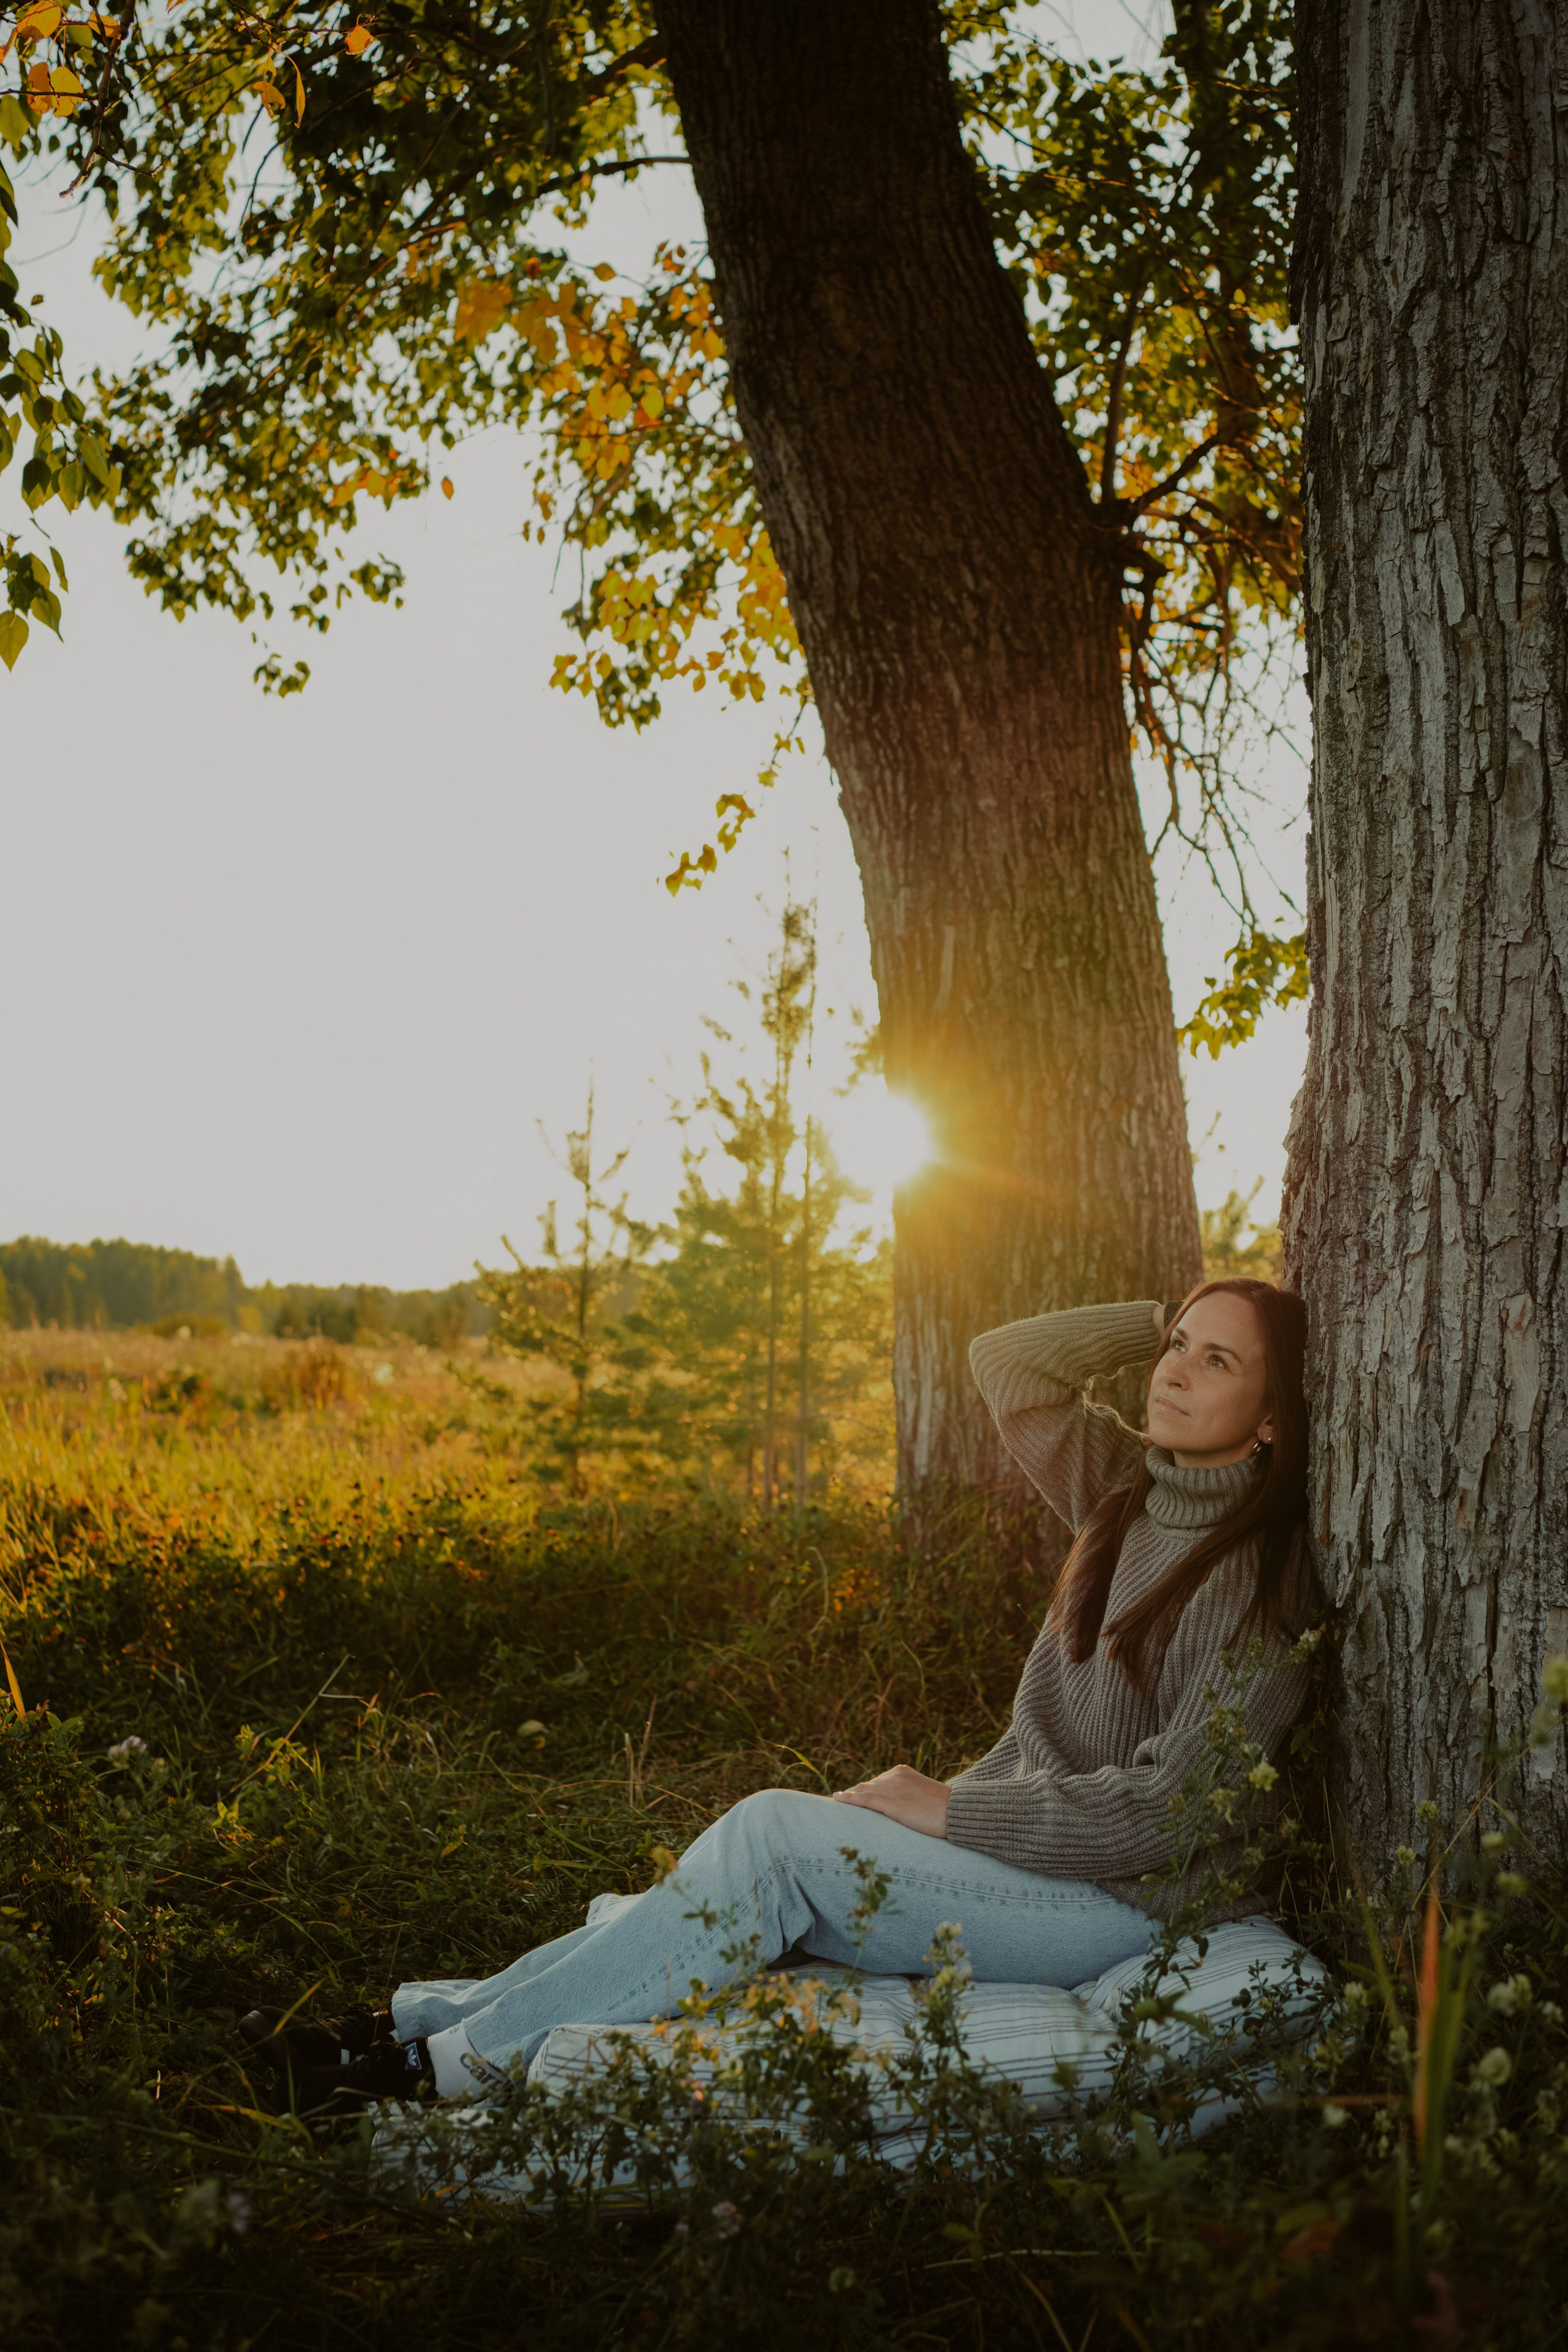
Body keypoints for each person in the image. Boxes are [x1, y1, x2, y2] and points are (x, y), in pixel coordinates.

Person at [243, 1281, 1314, 2113]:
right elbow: (1007, 1363)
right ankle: (411, 2029)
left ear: (1269, 1421)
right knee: (744, 1860)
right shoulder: (1120, 1491)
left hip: (1126, 1907)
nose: (1176, 1371)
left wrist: (951, 1809)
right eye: (1178, 1346)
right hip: (1030, 1862)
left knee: (773, 1840)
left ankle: (439, 2071)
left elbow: (1176, 1810)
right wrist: (1160, 1313)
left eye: (1216, 1361)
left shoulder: (1260, 1586)